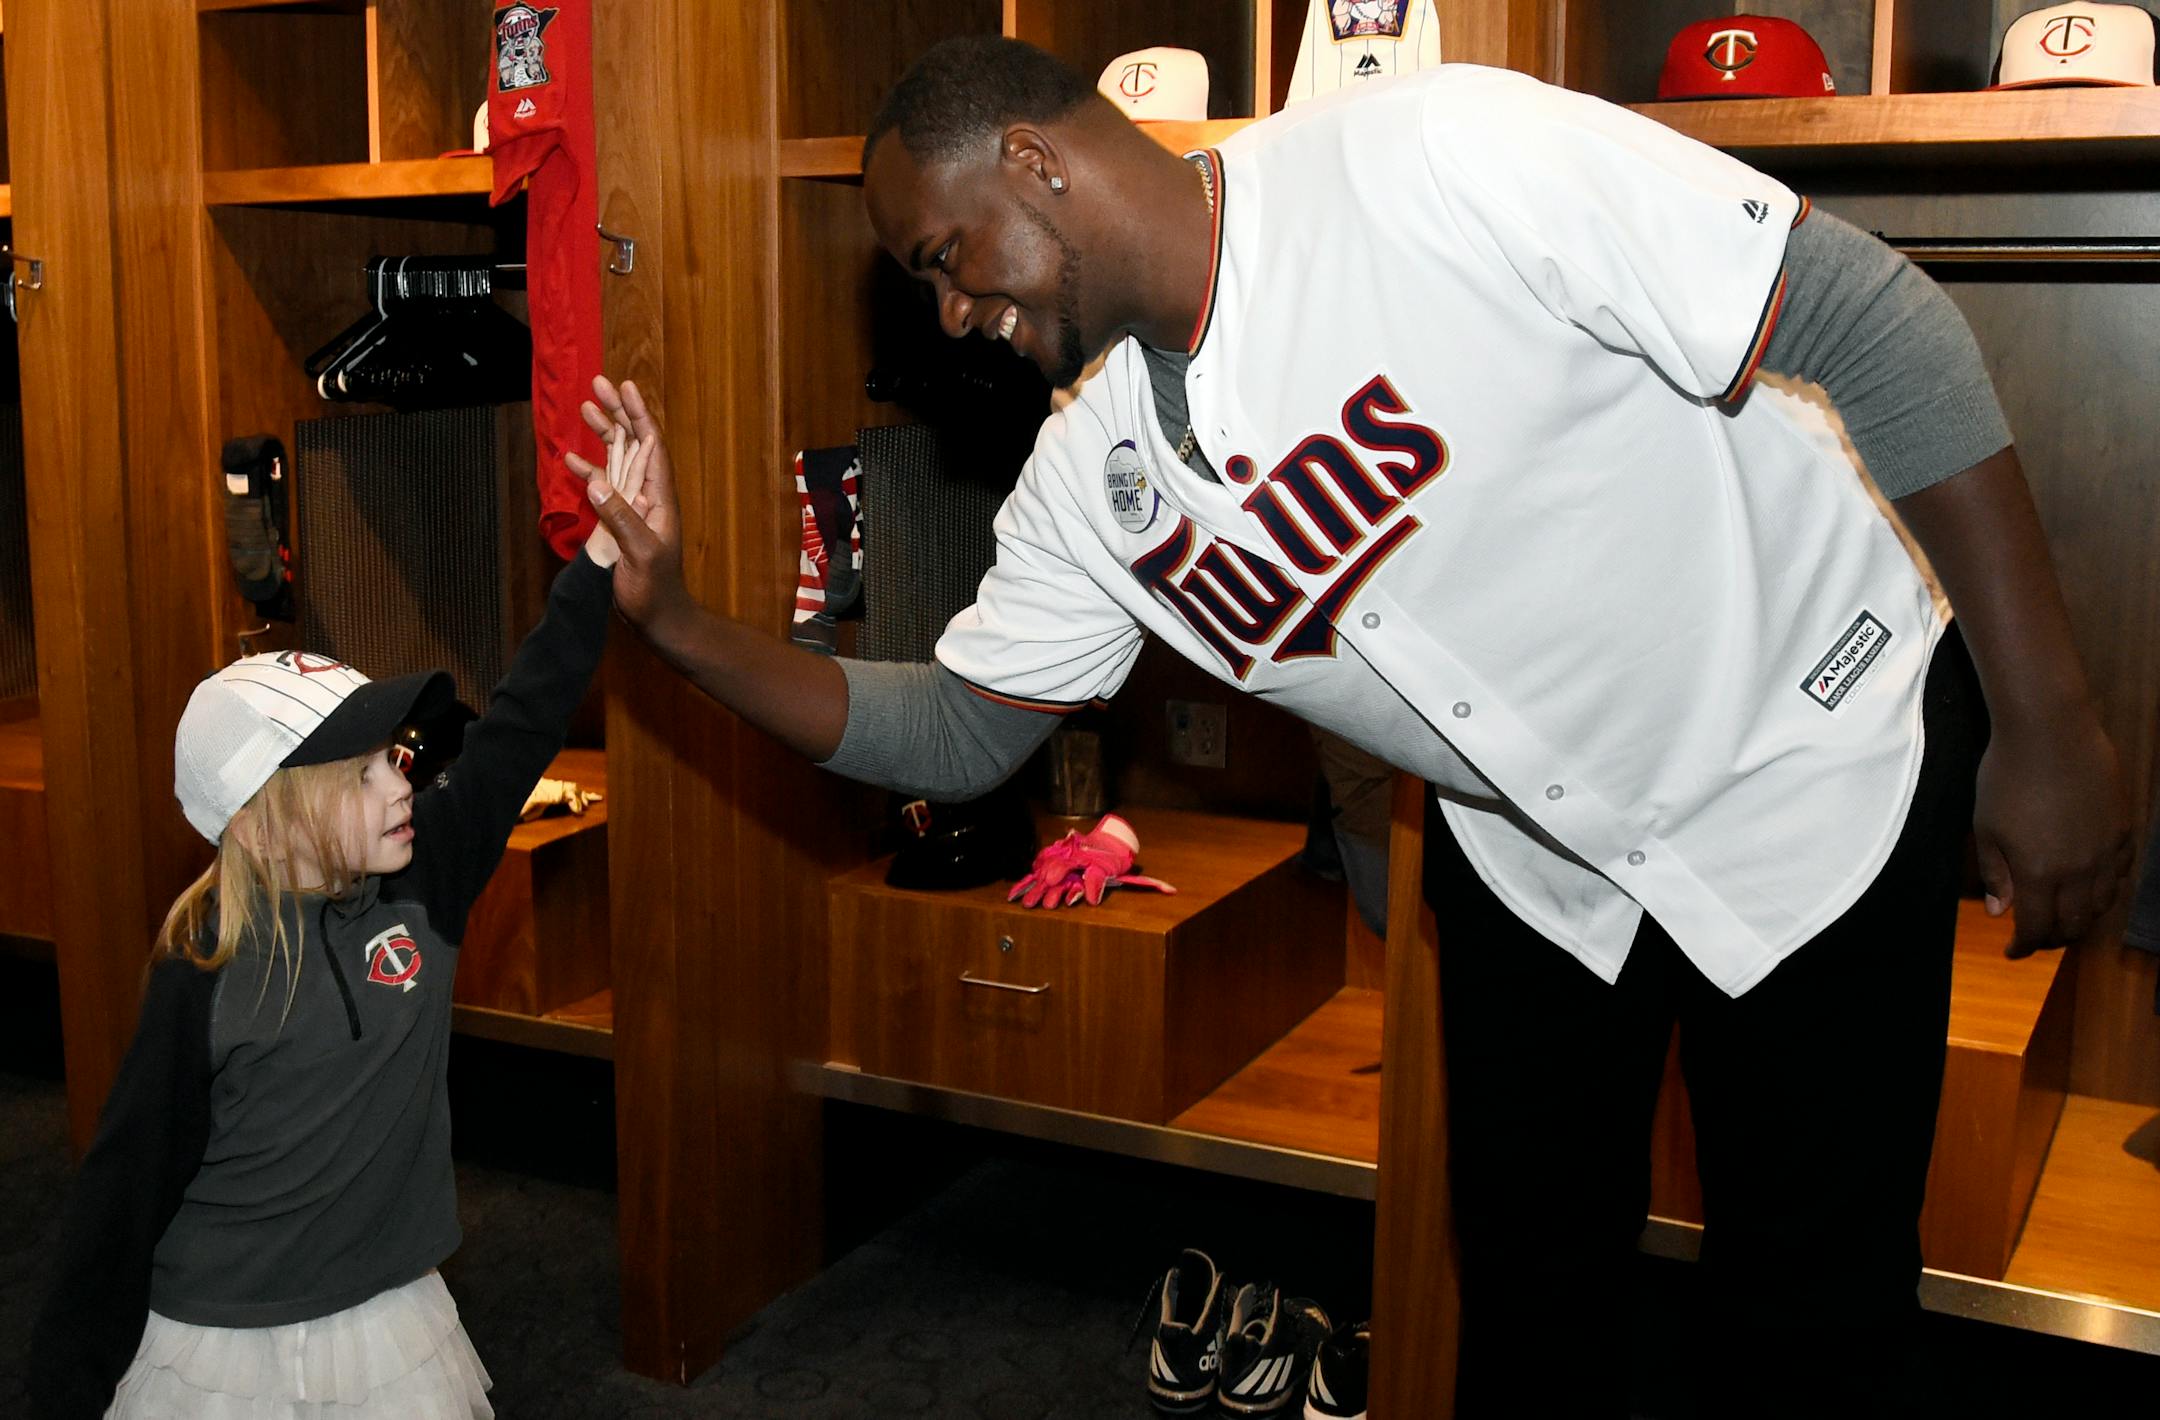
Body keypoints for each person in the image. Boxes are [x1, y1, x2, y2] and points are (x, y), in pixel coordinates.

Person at [575, 38, 2133, 1418]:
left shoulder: (1435, 162)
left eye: (946, 254)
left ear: (1036, 163)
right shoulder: (1086, 468)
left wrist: (2049, 725)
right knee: (1528, 1306)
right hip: (1544, 861)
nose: (951, 307)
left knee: (1812, 1314)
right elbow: (962, 732)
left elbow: (1884, 326)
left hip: (1812, 760)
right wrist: (684, 629)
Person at [27, 427, 653, 1419]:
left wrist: (603, 557)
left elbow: (524, 720)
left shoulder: (426, 878)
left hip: (382, 1317)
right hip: (222, 1336)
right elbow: (124, 1187)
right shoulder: (206, 966)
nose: (400, 779)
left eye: (393, 756)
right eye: (359, 772)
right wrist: (63, 1389)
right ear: (269, 824)